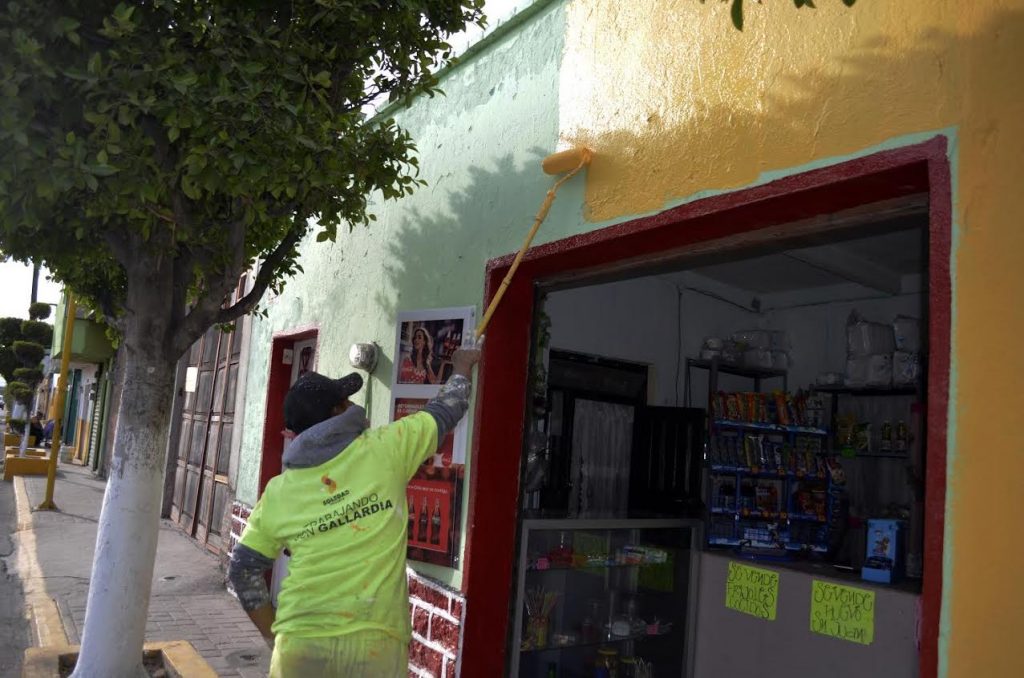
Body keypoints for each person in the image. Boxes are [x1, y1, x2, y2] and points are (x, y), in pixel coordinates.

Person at [228, 341, 482, 677]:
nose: (351, 404)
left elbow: (243, 568)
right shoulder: (386, 449)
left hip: (300, 647)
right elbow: (444, 412)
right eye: (344, 400)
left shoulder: (279, 491)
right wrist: (462, 367)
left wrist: (271, 633)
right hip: (375, 645)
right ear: (337, 413)